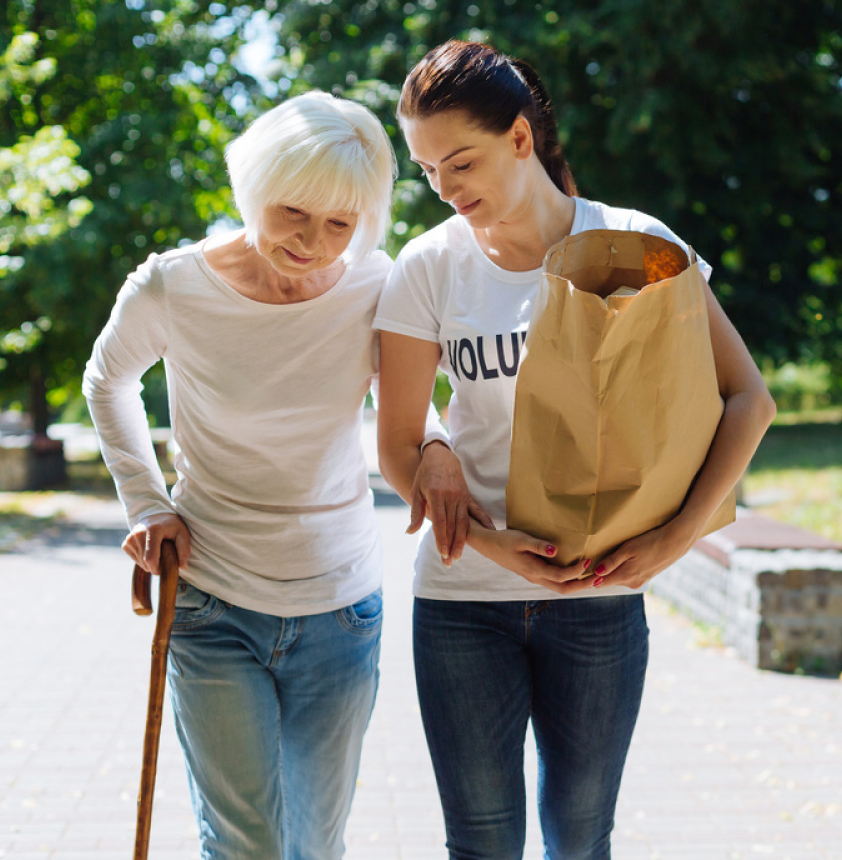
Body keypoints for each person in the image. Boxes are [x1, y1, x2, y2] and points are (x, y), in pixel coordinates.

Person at [374, 40, 778, 859]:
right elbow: (396, 445)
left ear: (521, 139)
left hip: (599, 603)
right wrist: (490, 542)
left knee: (581, 840)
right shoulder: (428, 268)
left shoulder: (634, 246)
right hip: (461, 606)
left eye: (462, 163)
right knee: (481, 846)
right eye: (427, 173)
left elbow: (749, 400)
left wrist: (672, 542)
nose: (447, 191)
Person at [82, 91, 465, 860]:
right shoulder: (173, 286)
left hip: (341, 604)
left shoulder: (377, 283)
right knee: (245, 846)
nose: (314, 241)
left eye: (340, 223)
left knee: (315, 846)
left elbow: (407, 406)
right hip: (214, 602)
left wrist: (435, 448)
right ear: (255, 188)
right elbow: (107, 380)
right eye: (294, 211)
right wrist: (147, 503)